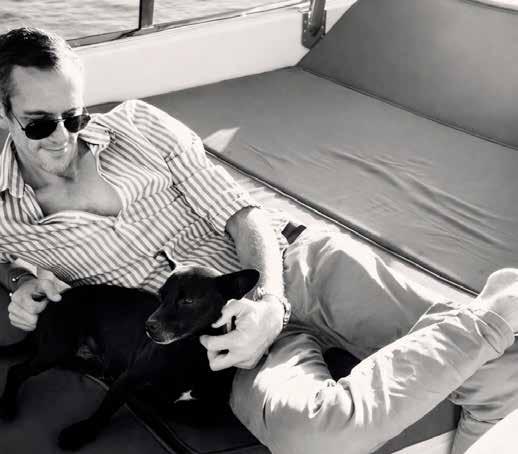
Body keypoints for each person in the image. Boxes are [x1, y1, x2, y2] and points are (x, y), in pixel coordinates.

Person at [0, 27, 517, 454]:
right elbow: (10, 265)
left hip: (293, 263)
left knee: (503, 370)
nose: (63, 136)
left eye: (74, 116)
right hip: (224, 344)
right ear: (5, 113)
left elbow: (242, 214)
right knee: (315, 439)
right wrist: (22, 280)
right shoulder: (6, 212)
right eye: (41, 124)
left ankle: (496, 313)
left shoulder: (139, 125)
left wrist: (270, 299)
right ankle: (499, 307)